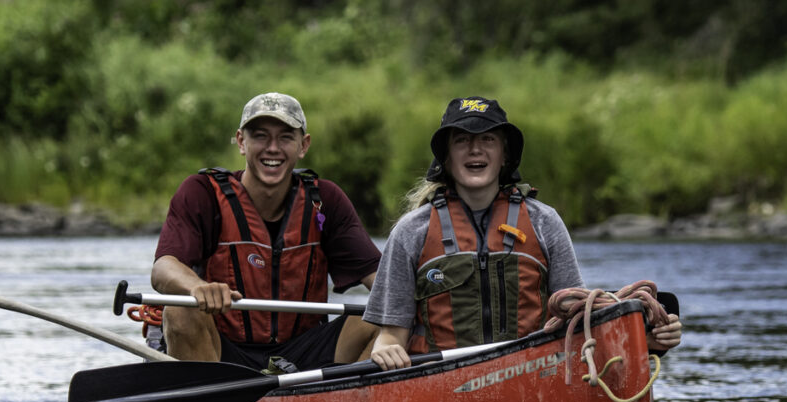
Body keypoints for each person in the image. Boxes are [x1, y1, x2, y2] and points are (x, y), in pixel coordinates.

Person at [365, 96, 682, 370]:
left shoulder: (545, 223)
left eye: (487, 139)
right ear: (446, 158)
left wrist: (651, 340)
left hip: (531, 376)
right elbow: (392, 335)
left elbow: (574, 318)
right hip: (440, 384)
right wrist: (385, 349)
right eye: (461, 140)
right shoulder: (412, 231)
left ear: (504, 155)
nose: (475, 149)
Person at [152, 92, 382, 370]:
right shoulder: (201, 193)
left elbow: (383, 282)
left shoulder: (325, 200)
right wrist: (197, 287)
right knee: (180, 308)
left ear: (303, 145)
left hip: (305, 352)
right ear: (241, 142)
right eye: (260, 136)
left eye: (285, 137)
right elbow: (163, 268)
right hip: (224, 351)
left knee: (385, 317)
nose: (272, 148)